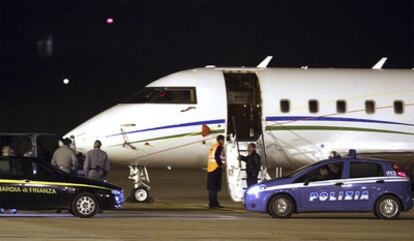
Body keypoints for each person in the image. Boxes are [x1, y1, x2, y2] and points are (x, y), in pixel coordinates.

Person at [207, 135, 225, 208]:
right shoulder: (219, 146)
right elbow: (217, 156)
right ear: (219, 140)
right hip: (216, 168)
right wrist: (221, 165)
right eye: (223, 140)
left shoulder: (213, 146)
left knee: (212, 187)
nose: (223, 141)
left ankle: (214, 202)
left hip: (211, 168)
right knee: (214, 188)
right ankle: (213, 203)